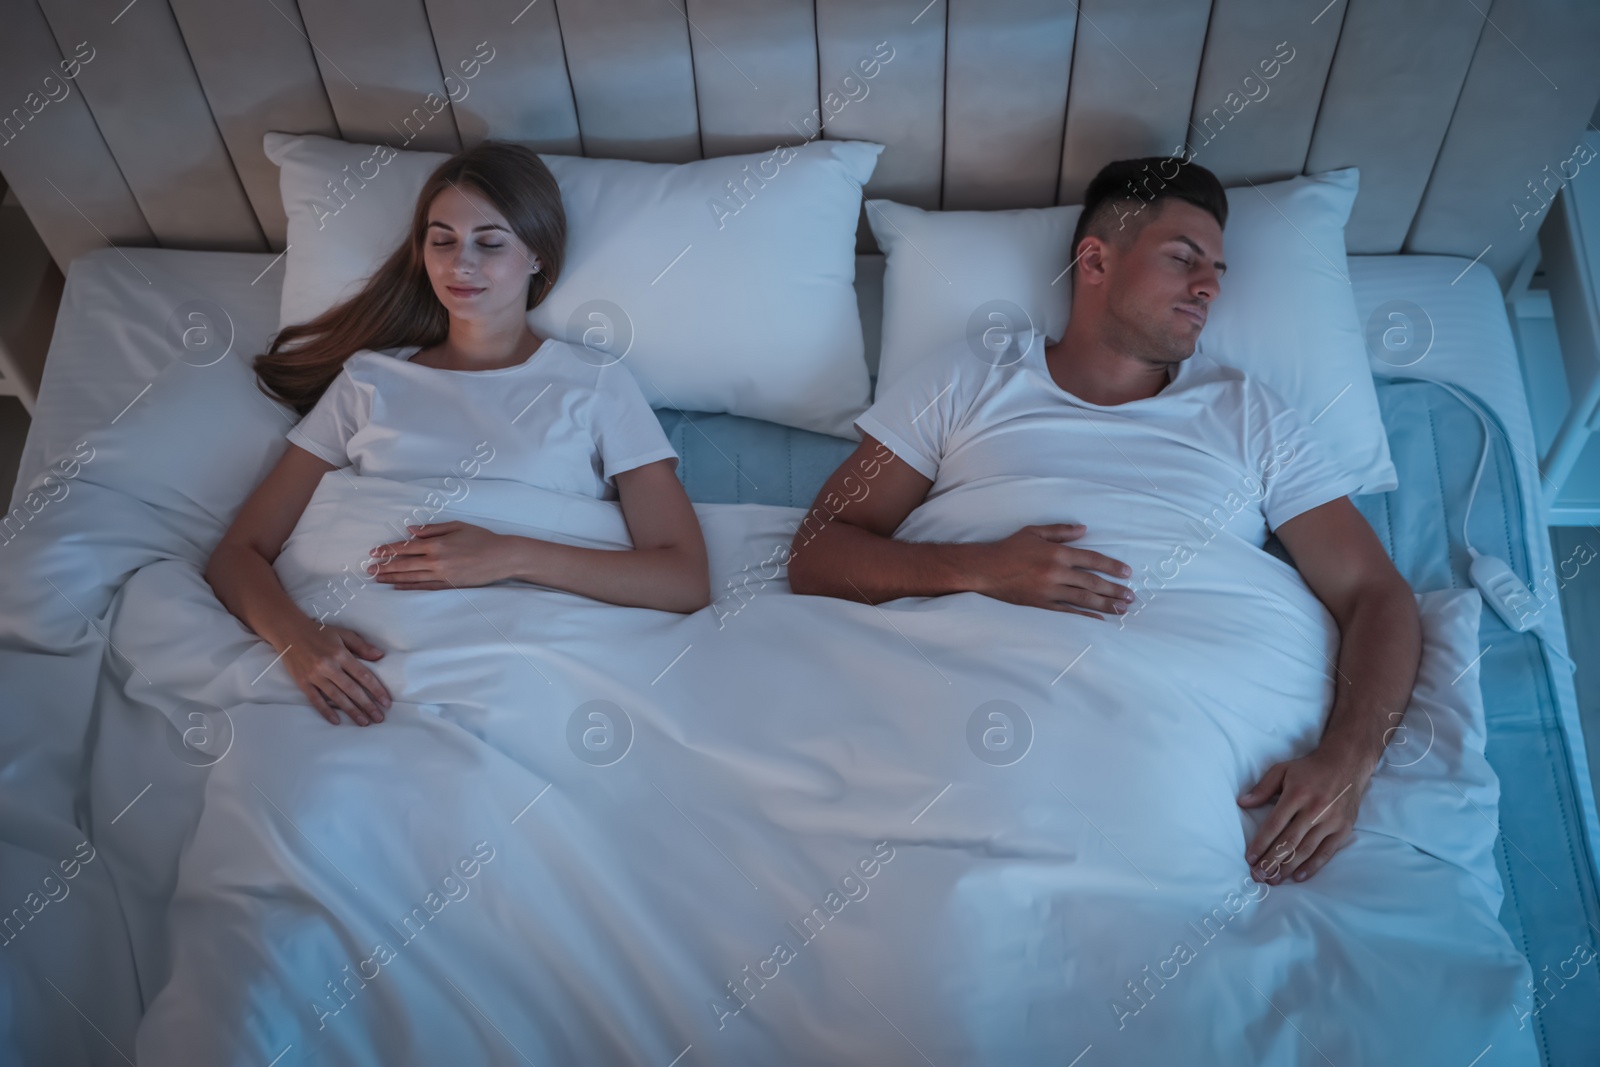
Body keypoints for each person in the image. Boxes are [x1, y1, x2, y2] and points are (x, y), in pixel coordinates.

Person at [787, 156, 1420, 888]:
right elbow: (817, 553)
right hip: (980, 701)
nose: (1210, 285)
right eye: (1184, 258)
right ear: (1095, 259)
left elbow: (1377, 593)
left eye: (1216, 267)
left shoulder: (1249, 413)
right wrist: (981, 569)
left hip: (1183, 733)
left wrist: (1350, 758)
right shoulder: (972, 376)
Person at [206, 142, 710, 729]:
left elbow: (683, 578)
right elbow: (238, 554)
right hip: (350, 669)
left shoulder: (593, 382)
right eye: (441, 240)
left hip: (516, 668)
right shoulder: (371, 379)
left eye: (490, 243)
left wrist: (507, 554)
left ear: (538, 257)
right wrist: (298, 641)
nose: (459, 263)